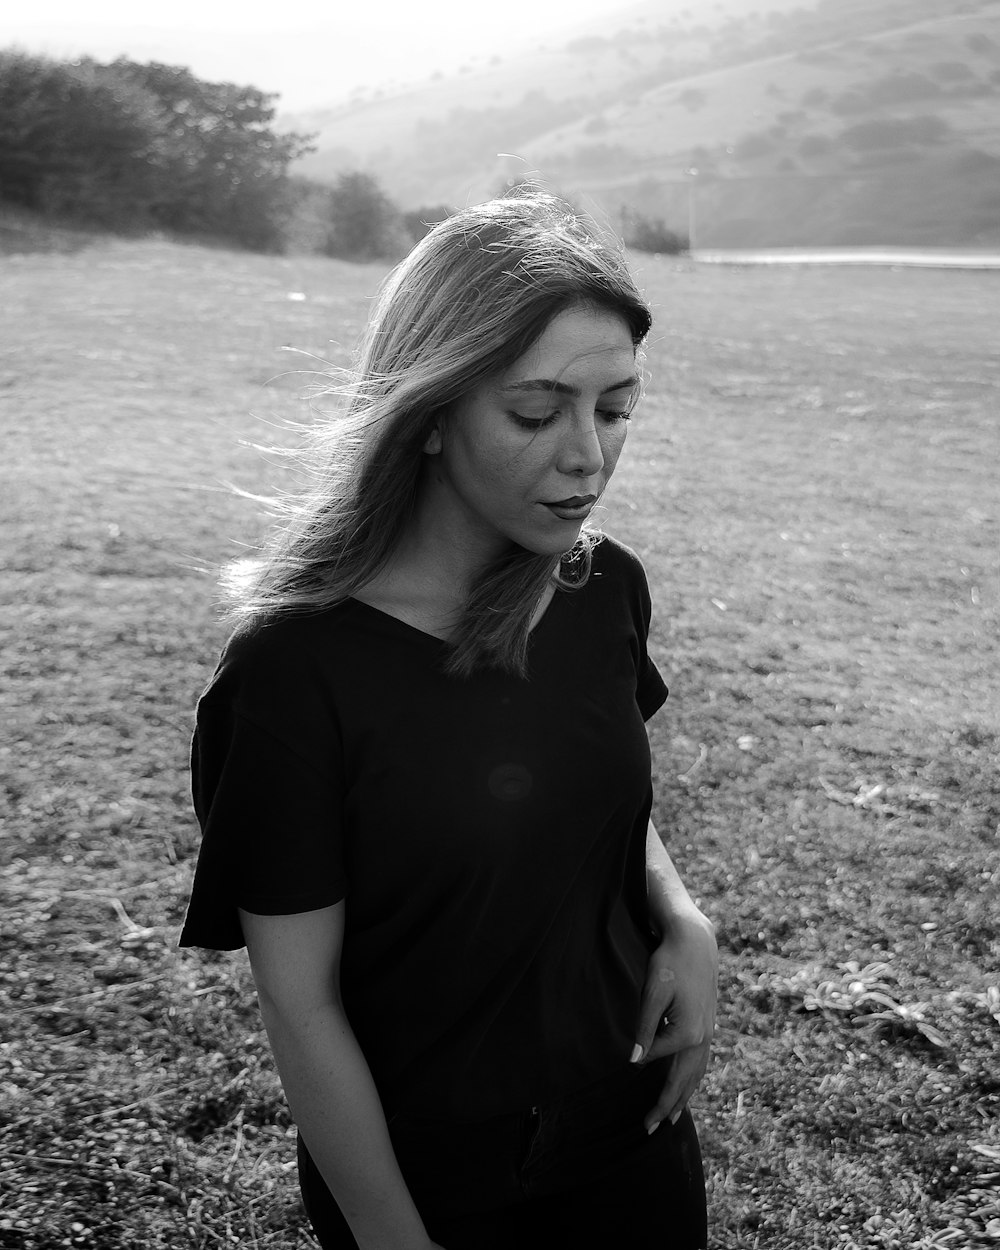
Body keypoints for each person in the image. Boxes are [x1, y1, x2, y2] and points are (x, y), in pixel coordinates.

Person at [179, 191, 718, 1250]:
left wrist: (683, 916)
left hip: (635, 1138)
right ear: (428, 413)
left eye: (615, 407)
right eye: (536, 412)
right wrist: (394, 1236)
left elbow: (598, 803)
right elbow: (302, 1004)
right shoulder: (295, 672)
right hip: (433, 1183)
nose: (587, 456)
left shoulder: (602, 587)